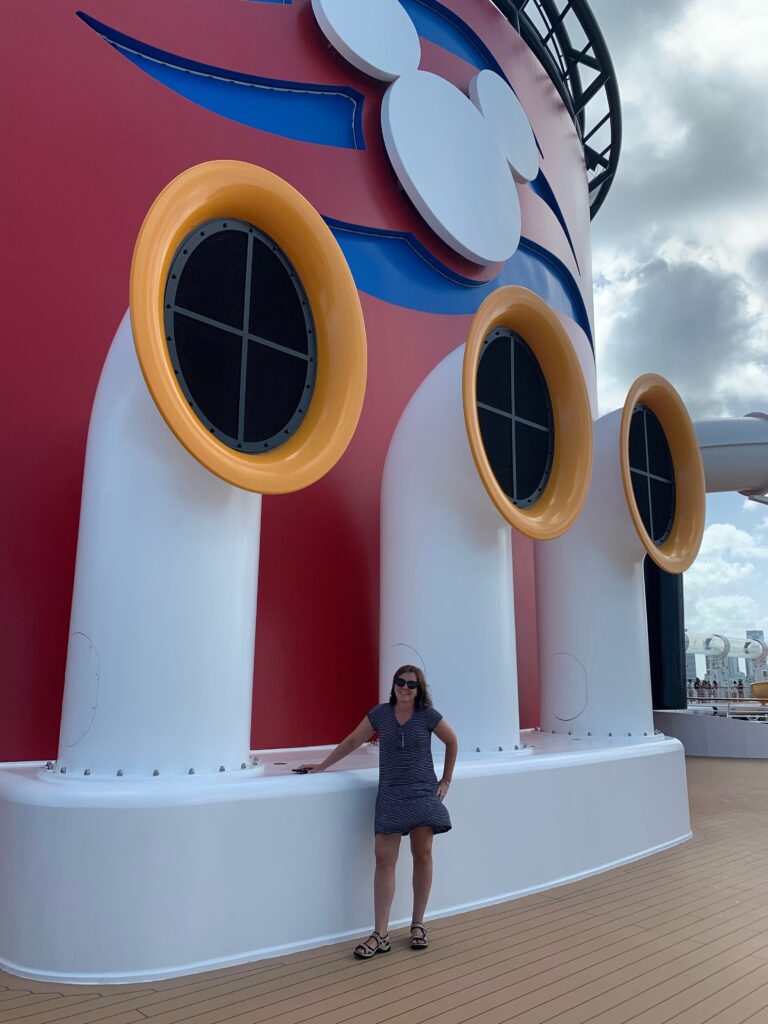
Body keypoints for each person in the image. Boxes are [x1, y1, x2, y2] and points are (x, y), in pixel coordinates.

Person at [297, 665, 458, 959]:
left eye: (411, 684)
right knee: (384, 859)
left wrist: (446, 779)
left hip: (422, 792)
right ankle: (380, 934)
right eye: (400, 682)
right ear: (393, 684)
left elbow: (452, 741)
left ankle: (418, 924)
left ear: (419, 689)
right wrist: (322, 766)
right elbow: (352, 741)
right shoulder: (380, 715)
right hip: (391, 794)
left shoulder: (428, 716)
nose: (405, 687)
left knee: (422, 854)